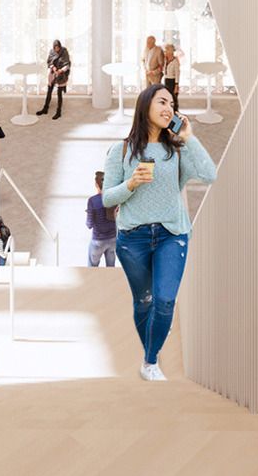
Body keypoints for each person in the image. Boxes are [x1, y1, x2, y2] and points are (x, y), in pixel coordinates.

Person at [101, 84, 216, 382]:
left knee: (165, 300)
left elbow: (210, 174)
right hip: (133, 239)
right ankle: (149, 352)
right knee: (144, 301)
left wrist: (189, 138)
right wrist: (131, 184)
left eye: (172, 104)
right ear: (145, 106)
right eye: (162, 101)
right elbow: (107, 199)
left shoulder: (177, 150)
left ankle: (150, 361)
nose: (169, 108)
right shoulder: (121, 151)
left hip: (172, 234)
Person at [85, 171, 119, 267]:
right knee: (111, 267)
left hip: (98, 241)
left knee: (92, 267)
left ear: (96, 184)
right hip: (113, 239)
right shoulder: (113, 198)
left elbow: (89, 224)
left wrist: (89, 212)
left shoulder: (92, 201)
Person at [41, 39, 71, 119]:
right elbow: (49, 62)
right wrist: (53, 67)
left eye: (58, 47)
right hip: (53, 73)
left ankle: (58, 112)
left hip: (62, 74)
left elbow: (67, 64)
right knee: (49, 90)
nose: (56, 49)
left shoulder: (64, 52)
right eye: (55, 48)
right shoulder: (51, 52)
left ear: (60, 47)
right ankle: (45, 108)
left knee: (59, 93)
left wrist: (61, 70)